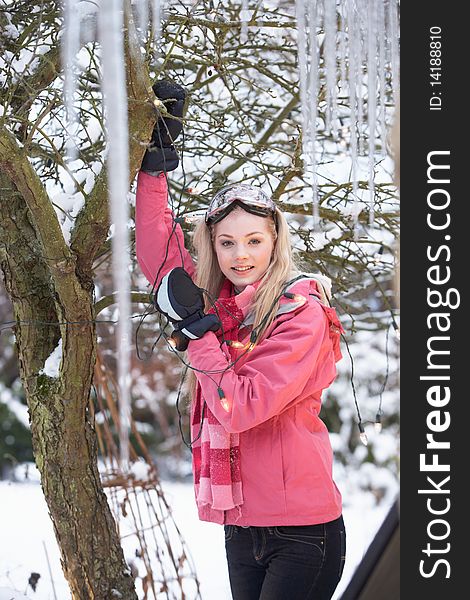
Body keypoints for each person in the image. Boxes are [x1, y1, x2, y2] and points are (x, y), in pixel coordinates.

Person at [135, 80, 346, 600]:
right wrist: (155, 171)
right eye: (226, 242)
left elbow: (241, 406)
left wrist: (199, 335)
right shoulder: (223, 310)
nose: (240, 254)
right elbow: (160, 260)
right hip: (242, 526)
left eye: (254, 240)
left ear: (276, 241)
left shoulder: (299, 310)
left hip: (303, 533)